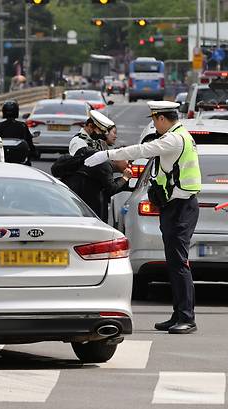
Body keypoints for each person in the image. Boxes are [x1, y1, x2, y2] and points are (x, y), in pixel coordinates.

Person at [84, 101, 201, 334]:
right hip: (176, 206)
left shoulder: (173, 139)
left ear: (160, 119)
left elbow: (140, 151)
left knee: (179, 264)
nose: (154, 125)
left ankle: (187, 317)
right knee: (175, 263)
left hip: (180, 208)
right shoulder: (180, 135)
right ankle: (178, 314)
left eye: (154, 120)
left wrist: (107, 154)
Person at [0, 99, 38, 165]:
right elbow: (29, 143)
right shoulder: (22, 126)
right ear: (16, 111)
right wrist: (34, 152)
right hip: (17, 161)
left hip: (2, 160)